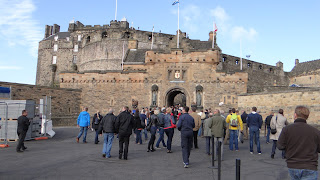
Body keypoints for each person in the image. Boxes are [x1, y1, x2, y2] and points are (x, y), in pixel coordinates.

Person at [278, 106, 320, 180]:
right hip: (310, 166)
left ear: (295, 115)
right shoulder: (315, 131)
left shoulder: (287, 129)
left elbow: (280, 146)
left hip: (293, 165)